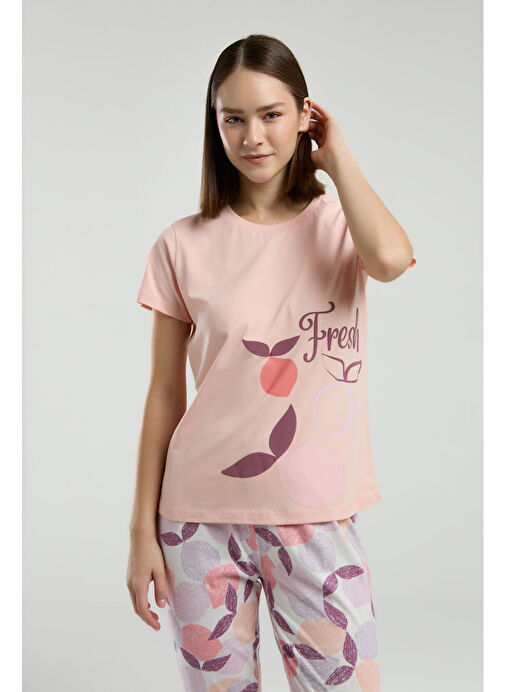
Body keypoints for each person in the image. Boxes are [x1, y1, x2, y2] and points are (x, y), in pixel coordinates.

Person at [127, 34, 416, 692]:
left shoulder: (341, 227)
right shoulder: (180, 245)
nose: (252, 136)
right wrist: (140, 530)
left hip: (315, 518)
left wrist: (337, 159)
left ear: (305, 116)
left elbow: (392, 260)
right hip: (197, 520)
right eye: (233, 118)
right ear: (215, 125)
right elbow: (164, 396)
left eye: (271, 114)